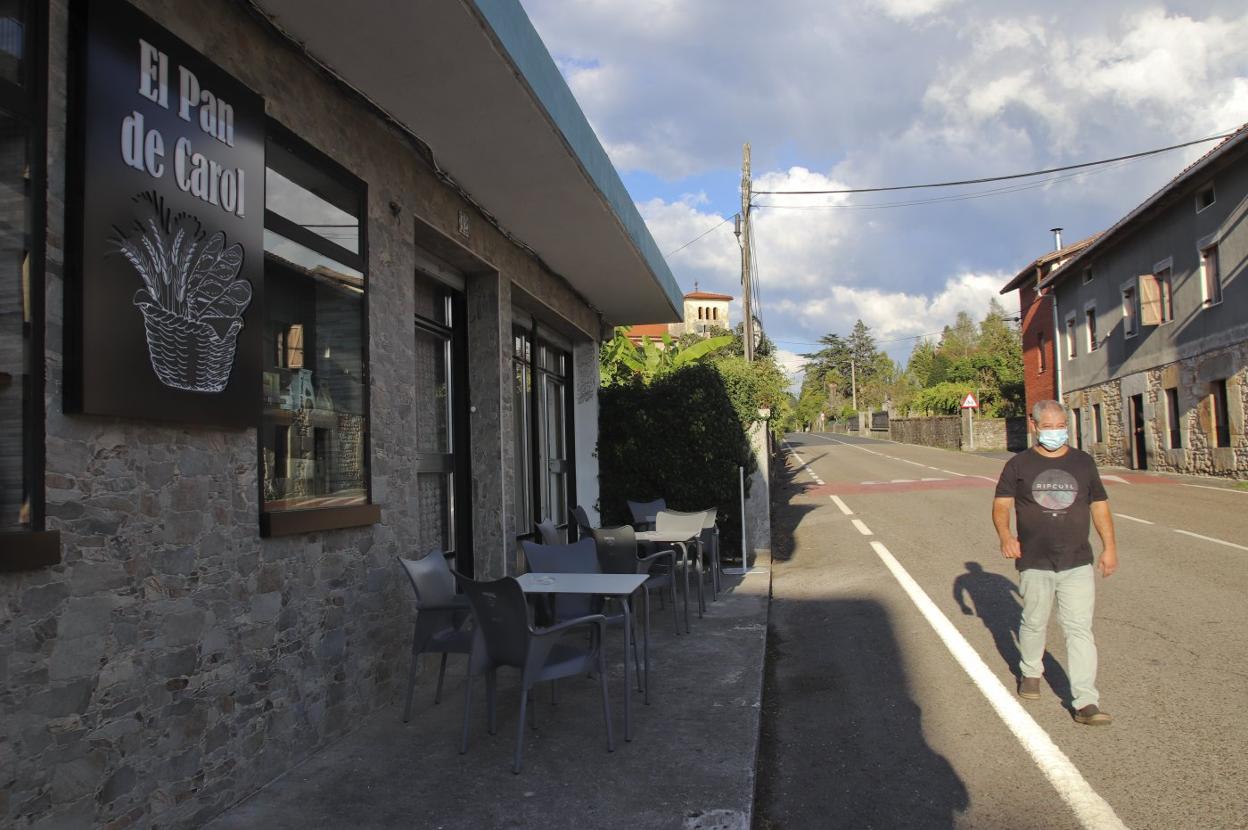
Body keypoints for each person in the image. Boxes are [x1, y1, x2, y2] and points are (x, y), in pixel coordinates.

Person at [991, 399, 1118, 725]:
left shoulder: (1083, 463)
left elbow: (1100, 506)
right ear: (1034, 427)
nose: (1056, 432)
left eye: (1060, 426)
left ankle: (1086, 701)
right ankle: (1030, 672)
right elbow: (1002, 505)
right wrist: (1006, 536)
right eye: (1048, 427)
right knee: (1034, 622)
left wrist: (1109, 547)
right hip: (1034, 560)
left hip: (1077, 560)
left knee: (1079, 630)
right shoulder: (1019, 465)